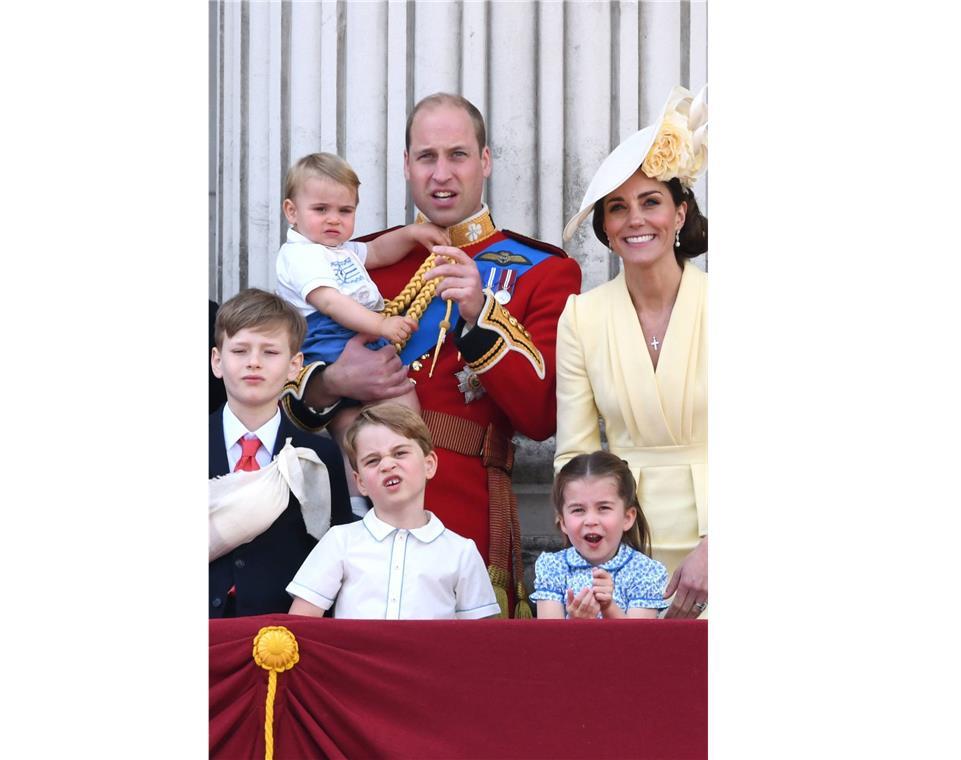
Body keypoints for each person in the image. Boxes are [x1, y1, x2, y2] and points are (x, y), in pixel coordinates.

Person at [281, 93, 582, 617]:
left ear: (485, 161)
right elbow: (285, 391)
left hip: (466, 502)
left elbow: (540, 417)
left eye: (458, 155)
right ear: (405, 165)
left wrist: (478, 313)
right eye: (426, 157)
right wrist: (336, 381)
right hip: (361, 506)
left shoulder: (543, 269)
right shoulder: (350, 258)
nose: (442, 173)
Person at [557, 85, 709, 619]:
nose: (635, 220)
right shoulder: (581, 316)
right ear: (605, 228)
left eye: (651, 202)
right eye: (617, 208)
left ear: (680, 212)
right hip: (623, 543)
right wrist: (591, 557)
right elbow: (573, 453)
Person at [275, 152, 449, 514]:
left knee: (352, 423)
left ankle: (363, 499)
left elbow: (378, 251)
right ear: (292, 212)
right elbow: (331, 302)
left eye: (345, 211)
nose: (334, 220)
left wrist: (412, 233)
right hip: (329, 336)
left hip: (351, 331)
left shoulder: (338, 250)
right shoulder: (301, 254)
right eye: (321, 210)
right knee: (392, 401)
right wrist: (382, 325)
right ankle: (369, 498)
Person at [208, 288, 356, 618]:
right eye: (240, 350)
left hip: (286, 639)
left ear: (294, 365)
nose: (254, 362)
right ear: (217, 361)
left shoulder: (319, 456)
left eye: (270, 352)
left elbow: (334, 553)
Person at [286, 403, 500, 620]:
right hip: (355, 655)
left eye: (399, 453)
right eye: (373, 460)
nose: (387, 465)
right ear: (360, 482)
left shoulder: (461, 552)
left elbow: (481, 638)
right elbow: (302, 622)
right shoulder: (340, 541)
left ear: (429, 464)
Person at [531, 451, 668, 619]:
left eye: (603, 508)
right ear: (563, 522)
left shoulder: (645, 572)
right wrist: (576, 623)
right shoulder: (552, 568)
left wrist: (608, 608)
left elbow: (638, 641)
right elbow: (547, 640)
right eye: (578, 510)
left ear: (627, 517)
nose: (590, 520)